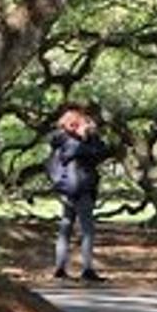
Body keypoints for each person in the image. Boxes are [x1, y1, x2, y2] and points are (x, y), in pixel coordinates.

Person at [48, 103, 112, 281]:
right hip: (80, 188)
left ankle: (60, 268)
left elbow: (101, 151)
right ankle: (87, 269)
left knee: (66, 227)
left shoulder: (60, 140)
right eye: (84, 122)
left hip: (65, 188)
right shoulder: (71, 143)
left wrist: (89, 137)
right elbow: (97, 153)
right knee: (87, 230)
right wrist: (86, 137)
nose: (88, 124)